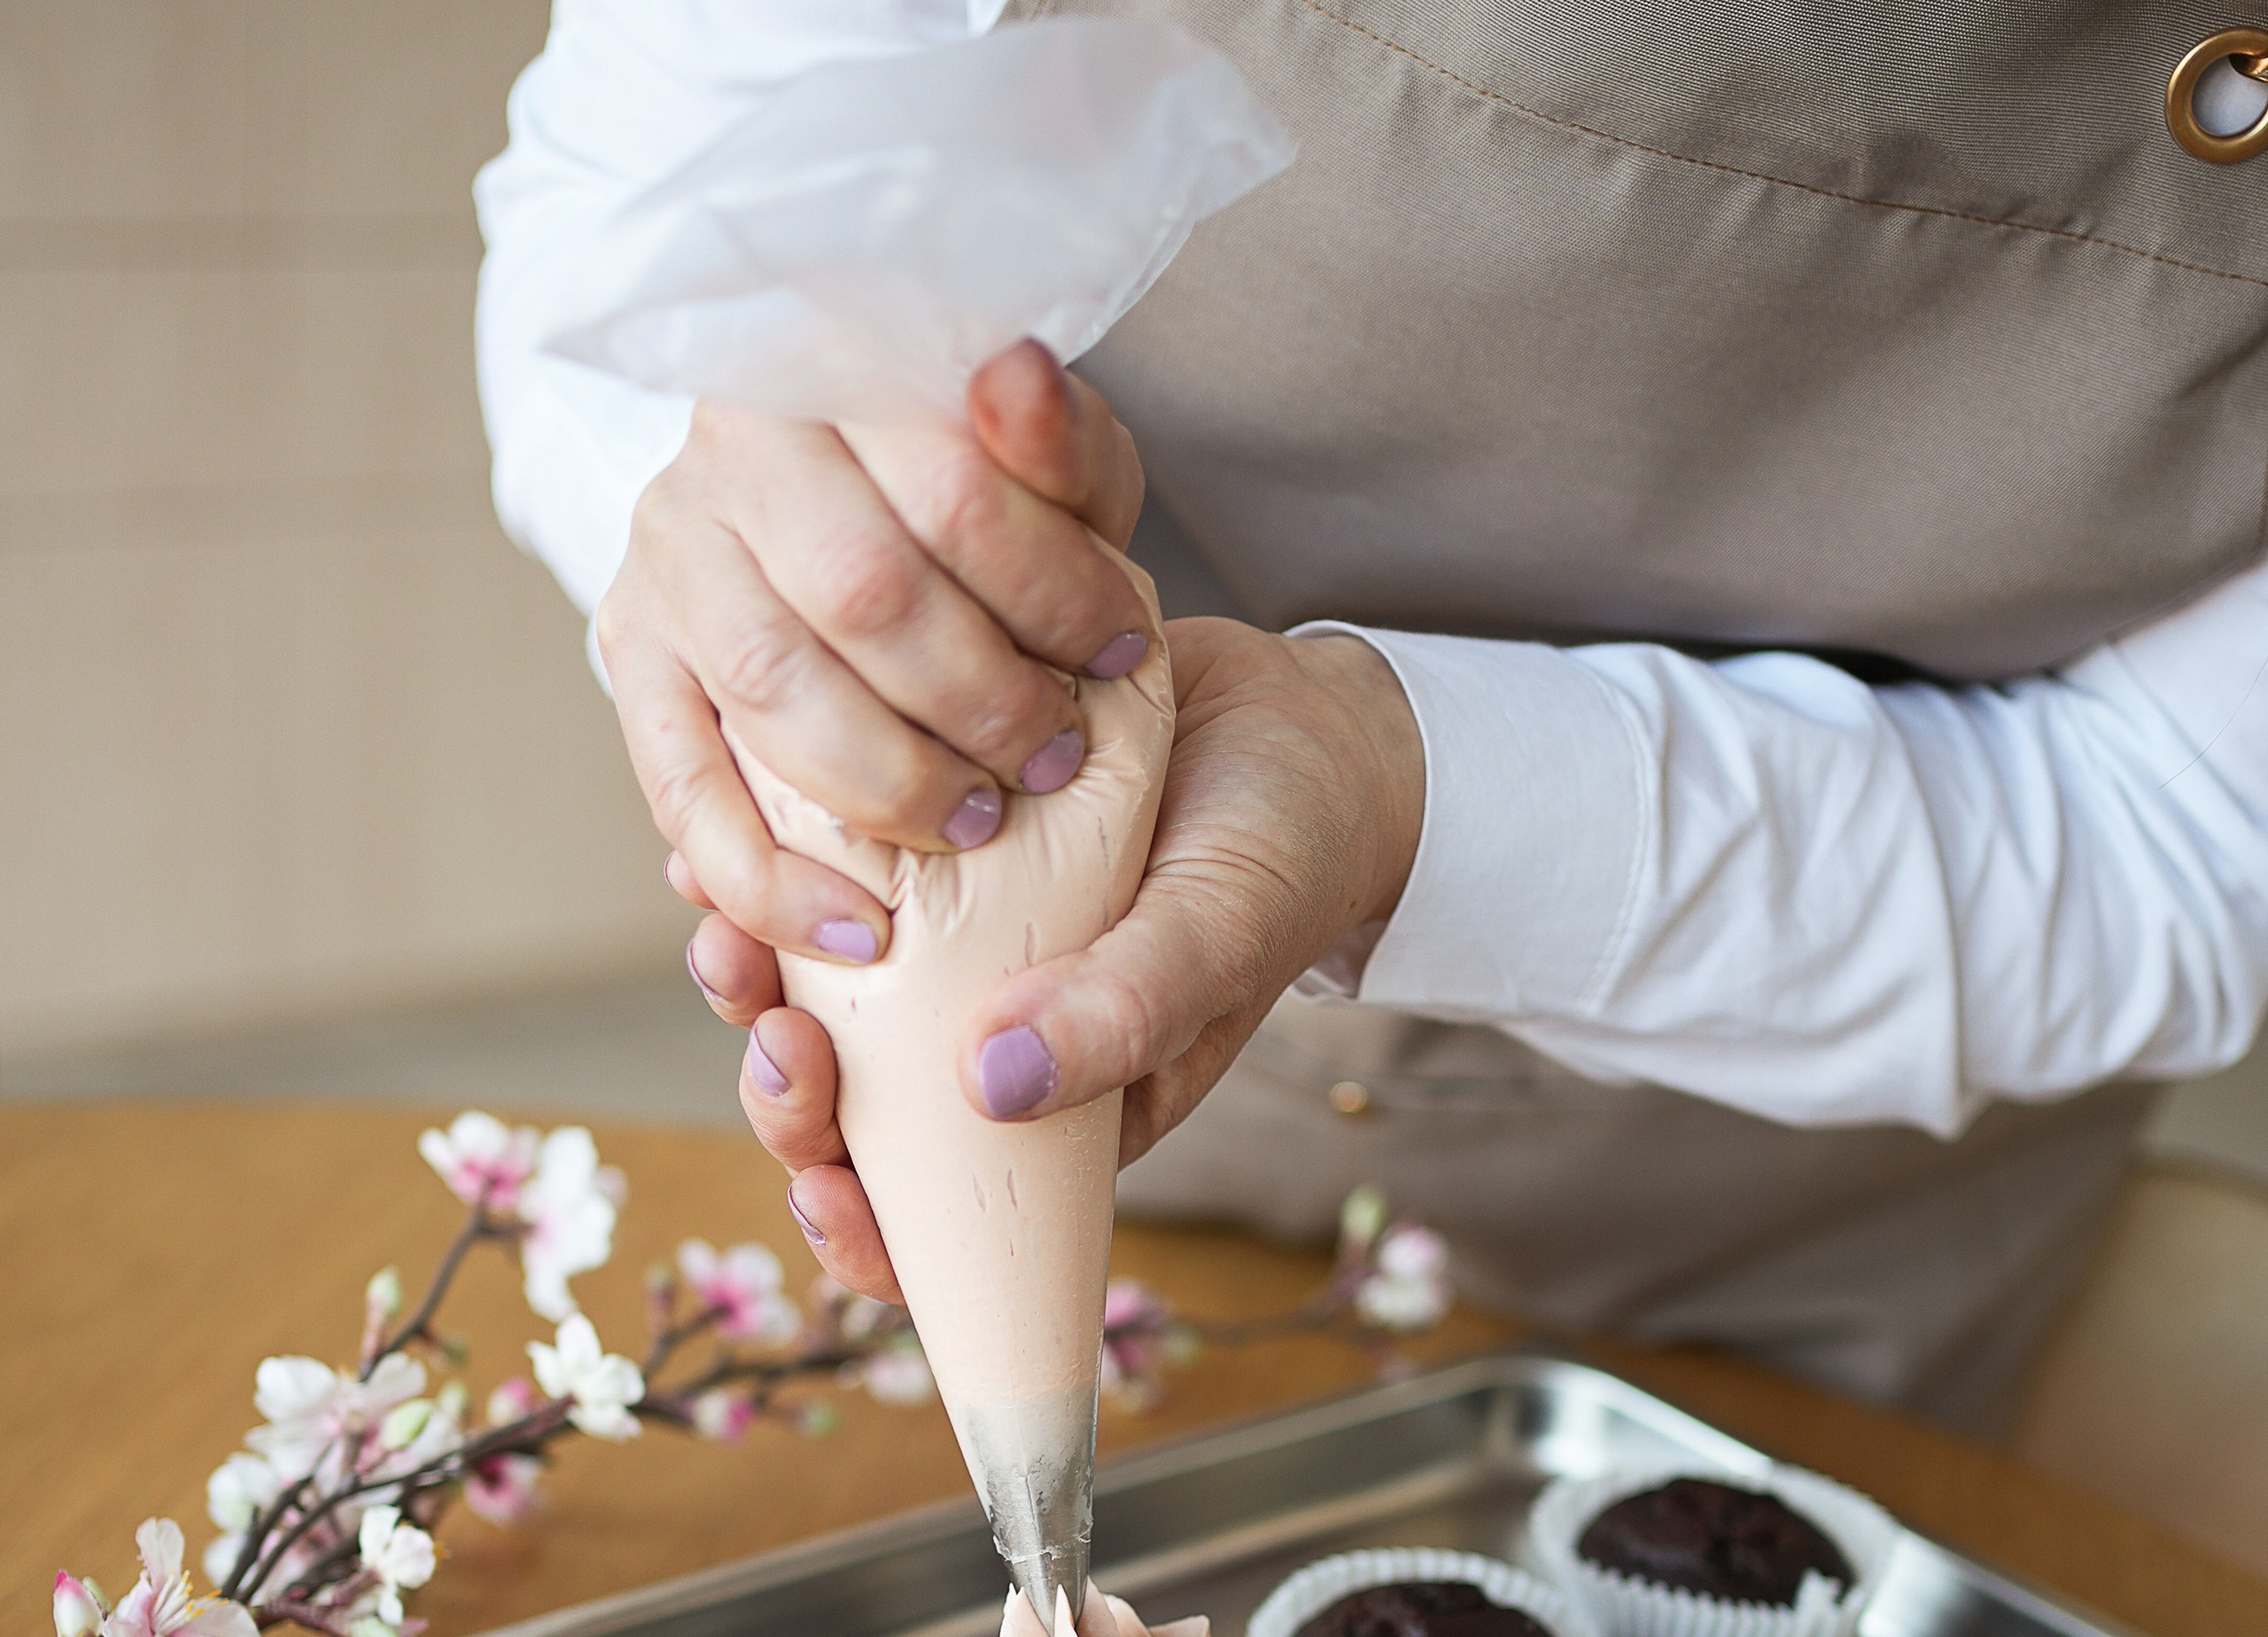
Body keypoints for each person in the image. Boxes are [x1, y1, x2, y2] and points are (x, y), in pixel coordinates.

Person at [476, 2, 2268, 1432]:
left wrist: (1400, 790)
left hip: (1815, 1236)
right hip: (1056, 1082)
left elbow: (2193, 836)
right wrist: (763, 554)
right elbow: (632, 180)